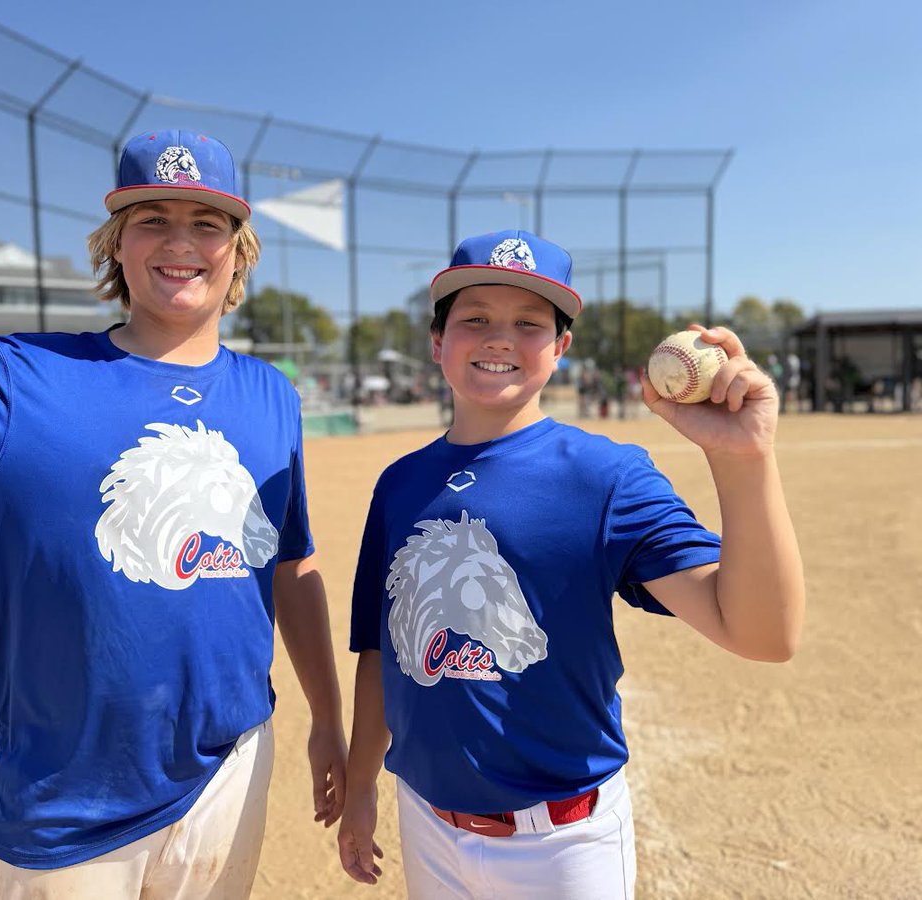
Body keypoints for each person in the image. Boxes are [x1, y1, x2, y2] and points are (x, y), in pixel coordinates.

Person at [0, 129, 347, 898]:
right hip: (66, 811)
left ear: (238, 250)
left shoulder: (271, 395)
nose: (180, 241)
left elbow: (289, 562)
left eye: (206, 222)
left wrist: (325, 717)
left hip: (231, 771)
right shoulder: (19, 377)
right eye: (152, 218)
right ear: (116, 244)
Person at [336, 229, 805, 898]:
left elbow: (763, 634)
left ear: (559, 350)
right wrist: (360, 789)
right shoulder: (401, 484)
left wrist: (745, 461)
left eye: (529, 324)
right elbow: (383, 652)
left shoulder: (605, 477)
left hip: (561, 847)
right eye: (476, 320)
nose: (501, 338)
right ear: (438, 343)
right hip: (428, 825)